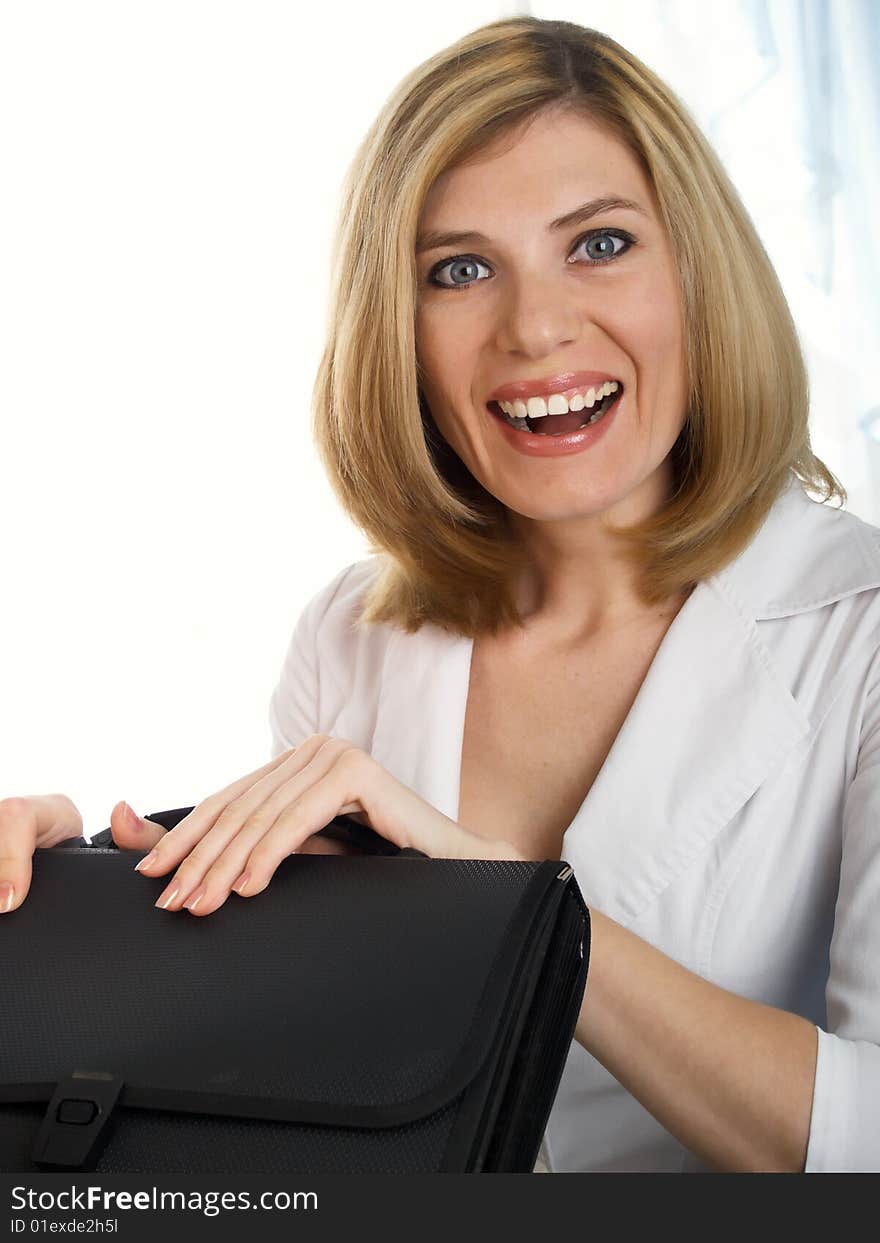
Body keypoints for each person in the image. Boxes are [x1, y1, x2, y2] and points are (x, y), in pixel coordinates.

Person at [2, 16, 878, 1174]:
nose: (536, 327)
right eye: (458, 271)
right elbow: (305, 1078)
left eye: (599, 243)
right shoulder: (347, 635)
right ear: (396, 332)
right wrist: (71, 904)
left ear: (698, 275)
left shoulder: (855, 631)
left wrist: (490, 899)